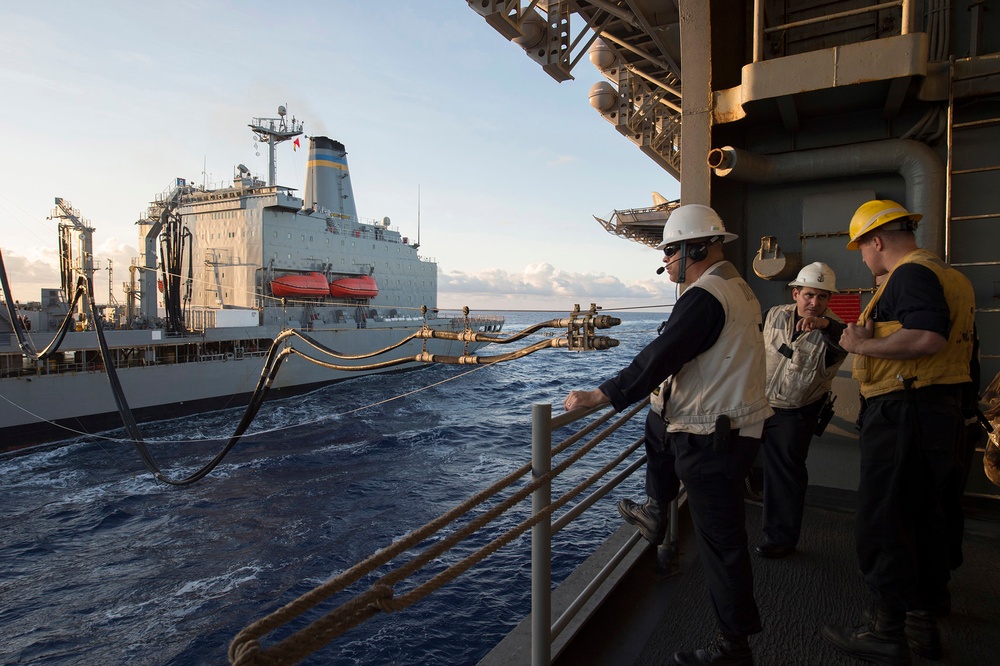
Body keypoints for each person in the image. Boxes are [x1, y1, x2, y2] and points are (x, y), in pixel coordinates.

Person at [564, 204, 772, 666]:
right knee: (657, 424)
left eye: (669, 255)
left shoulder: (704, 297)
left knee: (722, 548)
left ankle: (732, 651)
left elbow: (660, 356)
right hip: (732, 430)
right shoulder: (738, 289)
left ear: (691, 248)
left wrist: (601, 395)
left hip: (713, 440)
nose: (668, 266)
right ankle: (657, 509)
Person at [821, 200, 975, 664]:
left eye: (862, 249)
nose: (864, 259)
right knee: (925, 518)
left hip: (905, 411)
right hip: (939, 412)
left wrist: (862, 342)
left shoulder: (908, 274)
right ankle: (922, 623)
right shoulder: (954, 278)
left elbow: (928, 337)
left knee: (885, 521)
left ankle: (885, 631)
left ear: (877, 240)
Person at [756, 262, 847, 558]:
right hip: (757, 404)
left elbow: (843, 337)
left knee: (785, 476)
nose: (815, 303)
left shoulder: (836, 333)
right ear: (796, 293)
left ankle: (780, 540)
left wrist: (824, 326)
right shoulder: (773, 315)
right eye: (809, 295)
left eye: (822, 297)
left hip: (795, 414)